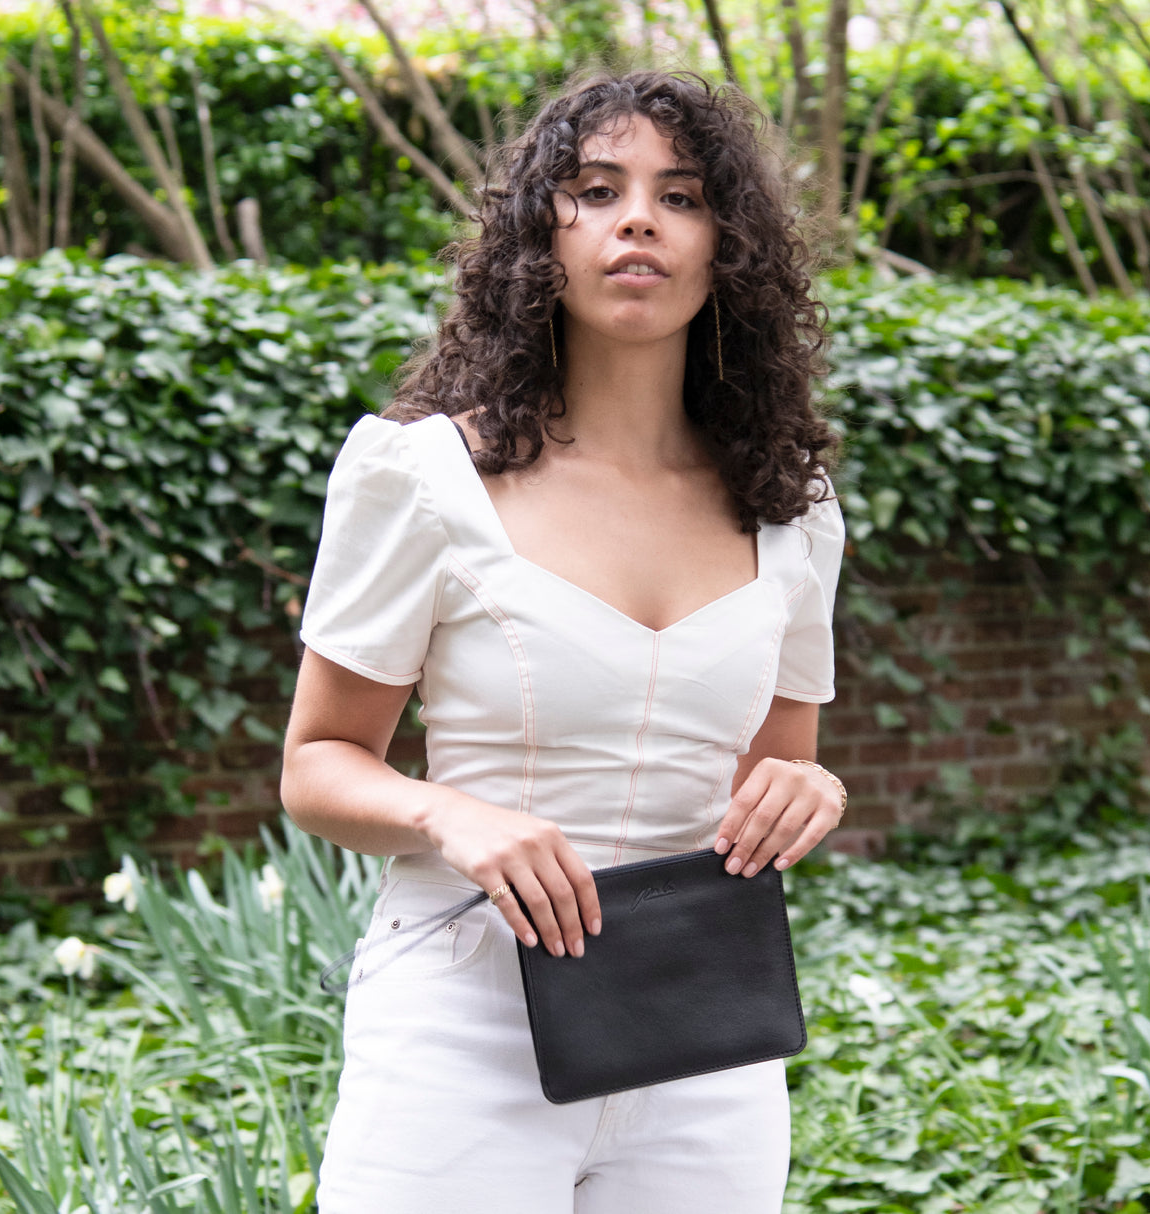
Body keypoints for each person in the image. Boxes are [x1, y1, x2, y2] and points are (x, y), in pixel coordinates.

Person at [281, 69, 846, 1213]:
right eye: (596, 188)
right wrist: (450, 810)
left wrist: (805, 786)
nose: (637, 217)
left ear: (724, 248)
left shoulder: (790, 508)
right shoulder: (424, 476)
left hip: (703, 1037)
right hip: (460, 1018)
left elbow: (775, 766)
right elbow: (315, 765)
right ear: (542, 232)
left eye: (679, 195)